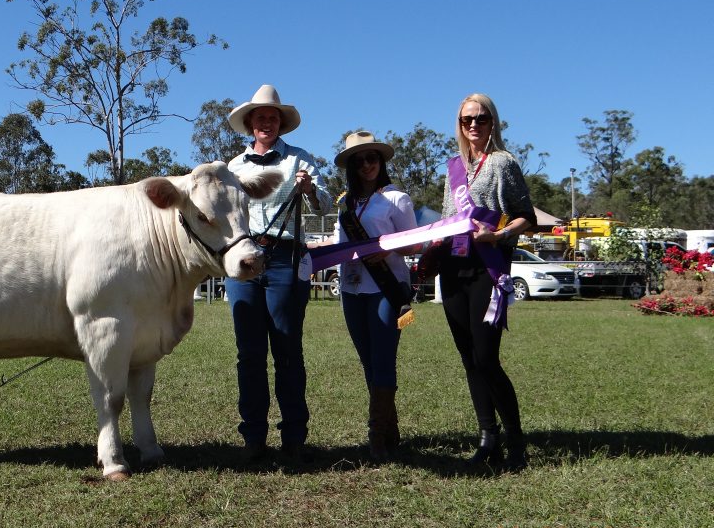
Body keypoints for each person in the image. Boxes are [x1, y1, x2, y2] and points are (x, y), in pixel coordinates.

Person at [225, 84, 333, 462]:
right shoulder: (232, 168)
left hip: (285, 259)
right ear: (251, 124)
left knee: (287, 350)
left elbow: (323, 207)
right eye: (260, 118)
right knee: (249, 354)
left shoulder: (299, 161)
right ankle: (253, 437)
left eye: (272, 117)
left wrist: (309, 191)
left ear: (280, 124)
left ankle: (294, 438)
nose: (266, 123)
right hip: (243, 261)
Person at [439, 93, 536, 470]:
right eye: (466, 120)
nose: (474, 125)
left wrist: (496, 236)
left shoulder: (503, 163)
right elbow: (450, 216)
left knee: (487, 357)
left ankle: (516, 442)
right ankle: (487, 438)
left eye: (480, 118)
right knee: (468, 358)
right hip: (454, 267)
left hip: (489, 267)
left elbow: (526, 215)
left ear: (493, 121)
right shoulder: (454, 168)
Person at [327, 131, 419, 463]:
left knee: (382, 360)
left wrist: (387, 248)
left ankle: (375, 437)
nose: (368, 164)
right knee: (368, 361)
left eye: (373, 158)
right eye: (360, 160)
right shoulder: (345, 203)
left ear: (381, 162)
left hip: (385, 287)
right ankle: (390, 430)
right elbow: (341, 244)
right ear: (352, 165)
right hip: (352, 289)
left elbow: (414, 243)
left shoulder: (397, 199)